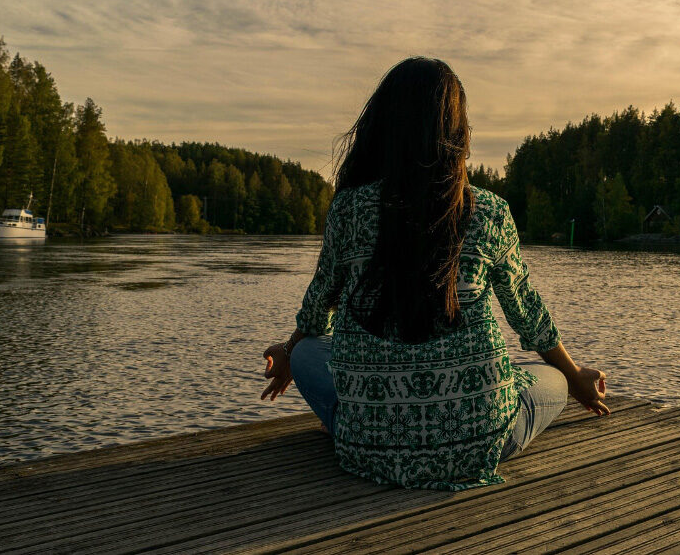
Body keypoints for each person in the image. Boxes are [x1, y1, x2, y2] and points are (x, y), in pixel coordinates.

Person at [261, 57, 609, 490]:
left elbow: (318, 309)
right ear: (457, 132)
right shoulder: (490, 211)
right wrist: (575, 378)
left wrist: (290, 351)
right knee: (552, 378)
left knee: (310, 351)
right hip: (478, 443)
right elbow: (528, 316)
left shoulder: (349, 209)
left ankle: (364, 425)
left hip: (368, 449)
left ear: (383, 126)